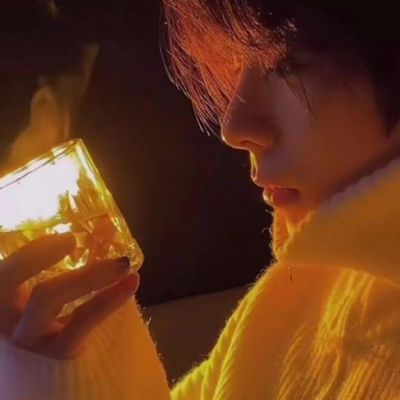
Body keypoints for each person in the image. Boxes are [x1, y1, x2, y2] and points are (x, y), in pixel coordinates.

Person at [2, 0, 400, 398]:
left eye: (288, 65)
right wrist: (73, 363)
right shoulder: (303, 296)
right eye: (237, 65)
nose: (234, 127)